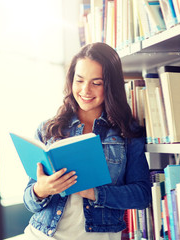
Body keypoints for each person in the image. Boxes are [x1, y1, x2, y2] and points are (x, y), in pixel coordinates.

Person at [23, 42, 151, 240]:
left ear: (110, 86)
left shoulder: (127, 132)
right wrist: (41, 189)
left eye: (96, 83)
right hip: (42, 235)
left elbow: (141, 195)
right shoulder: (49, 129)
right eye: (79, 80)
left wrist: (95, 192)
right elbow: (29, 202)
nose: (85, 90)